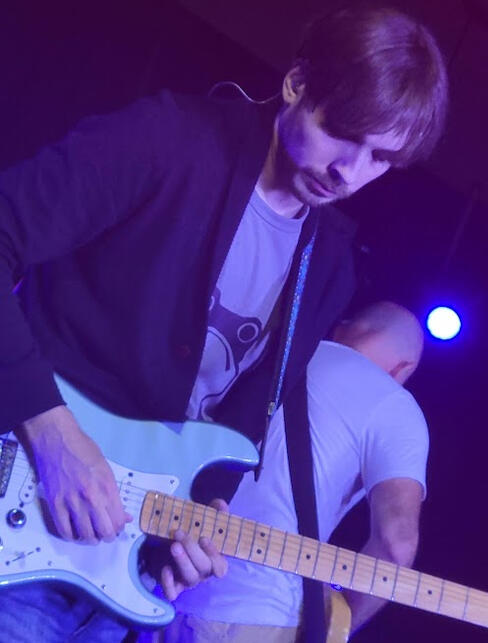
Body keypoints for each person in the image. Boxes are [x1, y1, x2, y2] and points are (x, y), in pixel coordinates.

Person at [0, 5, 447, 641]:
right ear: (297, 83)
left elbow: (234, 425)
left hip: (117, 575)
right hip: (23, 508)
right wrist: (53, 433)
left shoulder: (328, 266)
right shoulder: (168, 140)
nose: (350, 171)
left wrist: (187, 536)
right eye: (343, 133)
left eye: (380, 158)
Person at [156, 301, 428, 642]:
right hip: (256, 612)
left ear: (340, 330)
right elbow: (396, 543)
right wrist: (339, 624)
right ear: (403, 368)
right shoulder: (394, 404)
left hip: (164, 583)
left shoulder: (264, 352)